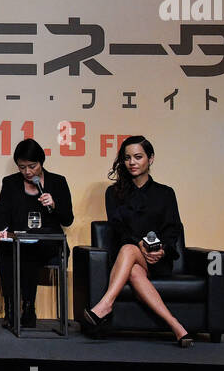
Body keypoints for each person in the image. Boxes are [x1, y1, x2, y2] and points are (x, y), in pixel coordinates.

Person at [82, 136, 194, 348]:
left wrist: (162, 250)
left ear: (150, 159)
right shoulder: (114, 193)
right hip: (128, 257)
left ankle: (105, 305)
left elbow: (173, 228)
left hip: (158, 259)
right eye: (127, 158)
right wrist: (139, 244)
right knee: (130, 259)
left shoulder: (165, 193)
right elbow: (118, 227)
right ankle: (176, 325)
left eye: (138, 157)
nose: (132, 162)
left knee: (130, 254)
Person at [0, 139, 74, 328]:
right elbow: (2, 214)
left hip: (48, 242)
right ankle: (12, 307)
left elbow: (68, 219)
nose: (28, 172)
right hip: (18, 240)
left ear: (41, 162)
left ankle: (28, 307)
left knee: (31, 249)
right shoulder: (10, 183)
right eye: (22, 167)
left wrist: (54, 205)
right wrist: (3, 232)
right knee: (12, 249)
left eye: (32, 166)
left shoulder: (57, 182)